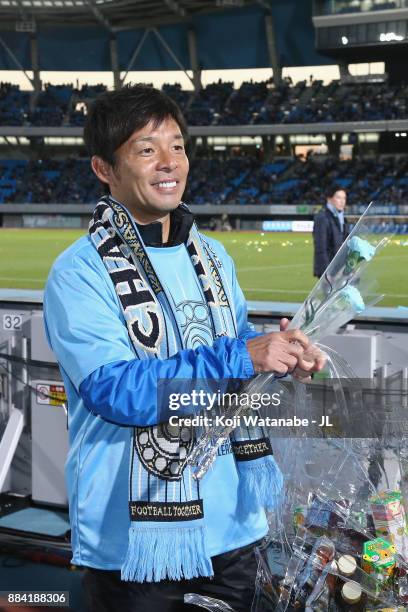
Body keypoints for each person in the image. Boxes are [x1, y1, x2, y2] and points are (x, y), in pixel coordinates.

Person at [43, 84, 324, 612]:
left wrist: (283, 356)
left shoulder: (214, 256)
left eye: (177, 145)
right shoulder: (78, 273)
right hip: (136, 545)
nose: (169, 162)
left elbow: (235, 354)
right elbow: (115, 391)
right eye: (146, 149)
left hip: (232, 524)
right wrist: (242, 355)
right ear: (104, 168)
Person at [313, 186, 349, 278]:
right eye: (338, 197)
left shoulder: (342, 218)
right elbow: (321, 247)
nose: (342, 201)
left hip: (341, 269)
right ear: (329, 199)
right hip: (329, 271)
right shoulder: (322, 217)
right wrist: (326, 272)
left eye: (344, 198)